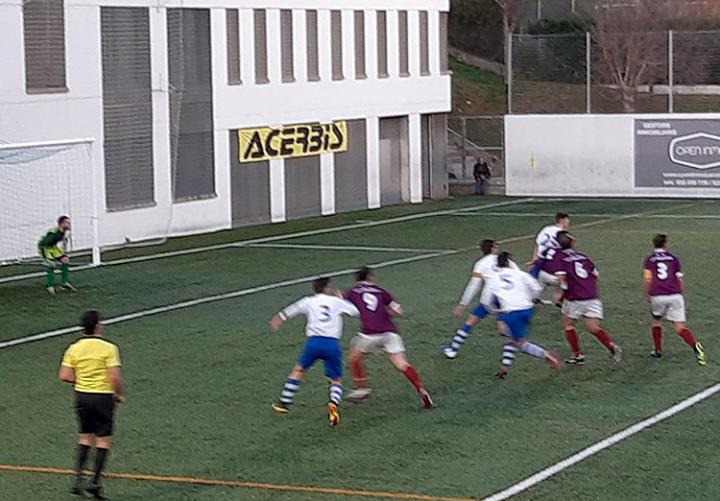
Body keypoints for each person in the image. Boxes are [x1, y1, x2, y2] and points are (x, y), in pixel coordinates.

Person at [270, 277, 359, 427]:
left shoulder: (308, 301)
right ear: (327, 288)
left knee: (298, 370)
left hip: (314, 343)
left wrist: (279, 318)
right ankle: (333, 404)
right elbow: (355, 312)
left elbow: (291, 311)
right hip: (332, 344)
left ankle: (284, 403)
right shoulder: (335, 302)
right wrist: (342, 300)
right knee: (335, 379)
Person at [344, 267, 433, 408]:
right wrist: (385, 313)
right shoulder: (381, 291)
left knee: (353, 358)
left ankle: (362, 388)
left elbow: (344, 307)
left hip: (370, 333)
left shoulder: (353, 292)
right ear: (371, 278)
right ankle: (421, 389)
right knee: (402, 364)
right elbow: (399, 311)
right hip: (390, 332)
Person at [59, 311, 124, 500]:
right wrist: (119, 394)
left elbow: (65, 375)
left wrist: (82, 381)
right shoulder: (109, 348)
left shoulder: (74, 348)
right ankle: (95, 483)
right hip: (102, 397)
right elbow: (114, 376)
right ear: (97, 326)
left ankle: (78, 481)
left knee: (85, 438)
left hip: (82, 397)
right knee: (104, 440)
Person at [484, 253, 561, 379]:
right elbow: (536, 288)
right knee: (512, 338)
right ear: (509, 263)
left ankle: (547, 355)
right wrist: (530, 299)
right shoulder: (519, 274)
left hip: (511, 312)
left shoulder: (493, 278)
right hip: (526, 310)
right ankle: (504, 368)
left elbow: (486, 301)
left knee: (518, 341)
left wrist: (495, 310)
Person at [442, 239, 519, 359]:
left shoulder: (481, 263)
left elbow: (474, 286)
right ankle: (516, 349)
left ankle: (453, 349)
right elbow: (519, 278)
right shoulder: (506, 260)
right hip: (507, 298)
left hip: (490, 298)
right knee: (505, 327)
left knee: (471, 321)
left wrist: (463, 304)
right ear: (493, 248)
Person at [553, 232, 622, 365]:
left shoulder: (560, 258)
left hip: (574, 297)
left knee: (568, 325)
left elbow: (561, 279)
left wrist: (559, 294)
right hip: (591, 296)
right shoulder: (583, 256)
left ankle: (577, 354)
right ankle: (612, 346)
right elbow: (596, 275)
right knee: (593, 328)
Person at [643, 234, 706, 365]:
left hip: (658, 295)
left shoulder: (650, 259)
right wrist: (680, 293)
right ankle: (695, 346)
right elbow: (679, 278)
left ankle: (658, 350)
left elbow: (648, 278)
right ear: (665, 244)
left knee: (656, 320)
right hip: (675, 295)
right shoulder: (673, 258)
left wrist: (647, 294)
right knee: (680, 327)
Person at [528, 212, 571, 288]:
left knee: (533, 282)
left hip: (540, 260)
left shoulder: (546, 229)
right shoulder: (562, 234)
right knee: (565, 282)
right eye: (567, 220)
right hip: (552, 261)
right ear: (562, 220)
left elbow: (538, 244)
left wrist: (534, 259)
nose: (569, 223)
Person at [39, 215, 76, 295]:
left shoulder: (63, 232)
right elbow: (44, 244)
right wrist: (47, 258)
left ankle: (64, 283)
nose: (70, 225)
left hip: (53, 247)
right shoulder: (54, 233)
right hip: (45, 248)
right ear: (62, 224)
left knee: (66, 260)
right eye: (68, 223)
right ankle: (50, 286)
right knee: (51, 265)